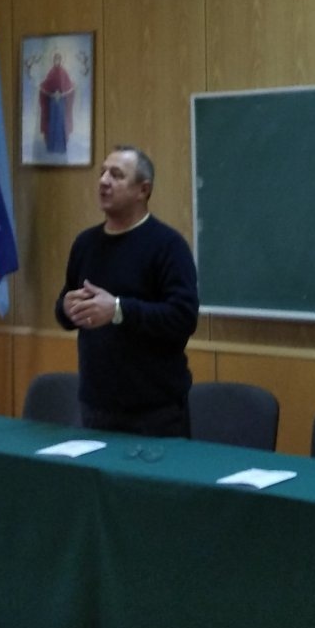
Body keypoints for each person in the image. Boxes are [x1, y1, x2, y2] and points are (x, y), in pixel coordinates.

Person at [54, 145, 199, 436]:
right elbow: (66, 309)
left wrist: (119, 310)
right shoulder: (85, 244)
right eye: (102, 173)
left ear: (143, 190)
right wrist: (66, 308)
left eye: (116, 175)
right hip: (95, 405)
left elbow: (183, 317)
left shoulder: (168, 245)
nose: (103, 181)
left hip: (155, 411)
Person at [37, 52, 76, 154]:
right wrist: (49, 91)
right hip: (53, 103)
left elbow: (68, 85)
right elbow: (47, 84)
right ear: (53, 60)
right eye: (55, 59)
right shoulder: (51, 72)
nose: (57, 61)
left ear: (61, 60)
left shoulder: (63, 72)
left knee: (61, 123)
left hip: (61, 103)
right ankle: (51, 147)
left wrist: (65, 91)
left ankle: (61, 147)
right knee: (52, 123)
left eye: (58, 59)